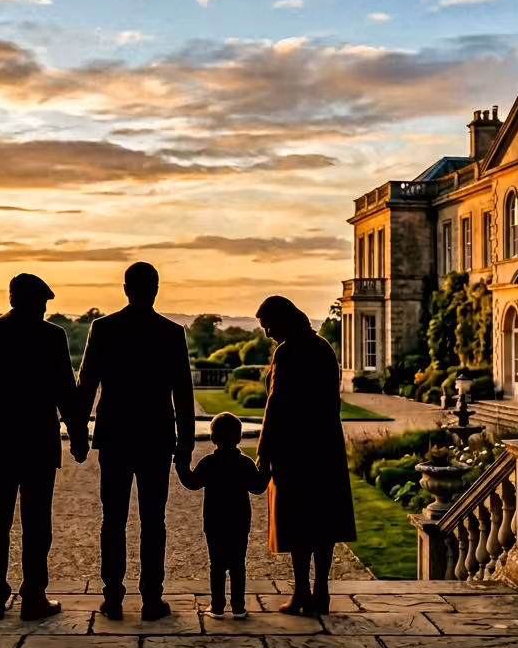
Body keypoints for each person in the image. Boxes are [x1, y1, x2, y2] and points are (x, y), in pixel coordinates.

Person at [73, 262, 195, 621]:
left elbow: (87, 385)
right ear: (155, 289)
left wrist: (79, 435)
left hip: (115, 436)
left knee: (112, 520)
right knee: (153, 521)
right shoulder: (171, 332)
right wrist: (185, 444)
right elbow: (183, 394)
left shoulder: (104, 328)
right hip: (156, 436)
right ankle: (151, 598)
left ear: (126, 289)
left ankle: (112, 597)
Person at [0, 273, 77, 621]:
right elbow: (66, 393)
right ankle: (33, 597)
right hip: (38, 444)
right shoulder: (52, 336)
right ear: (29, 301)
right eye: (42, 303)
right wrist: (79, 436)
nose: (44, 309)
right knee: (36, 524)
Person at [254, 295, 357, 616]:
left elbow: (276, 406)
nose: (268, 332)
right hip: (325, 447)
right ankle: (321, 592)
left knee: (297, 521)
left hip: (295, 449)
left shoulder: (288, 352)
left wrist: (263, 452)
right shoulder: (323, 348)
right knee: (323, 523)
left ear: (282, 320)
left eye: (269, 325)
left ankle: (301, 592)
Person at [176, 412, 269, 619]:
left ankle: (217, 606)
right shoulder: (244, 463)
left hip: (214, 521)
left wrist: (181, 463)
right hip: (239, 521)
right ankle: (238, 607)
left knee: (216, 565)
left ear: (213, 438)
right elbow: (257, 487)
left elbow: (192, 482)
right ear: (239, 437)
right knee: (238, 564)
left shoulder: (209, 463)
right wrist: (265, 466)